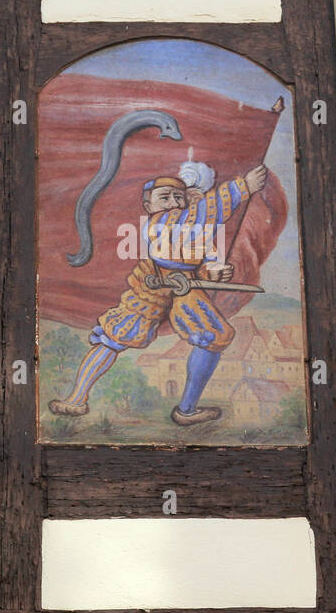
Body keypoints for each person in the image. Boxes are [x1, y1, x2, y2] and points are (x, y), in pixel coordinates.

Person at [49, 163, 268, 426]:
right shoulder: (160, 222)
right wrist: (242, 187)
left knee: (214, 334)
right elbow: (195, 217)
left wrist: (214, 271)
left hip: (186, 286)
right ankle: (76, 399)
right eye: (164, 197)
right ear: (148, 205)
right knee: (115, 335)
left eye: (178, 197)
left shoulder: (196, 229)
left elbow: (207, 258)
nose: (173, 202)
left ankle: (186, 410)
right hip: (150, 283)